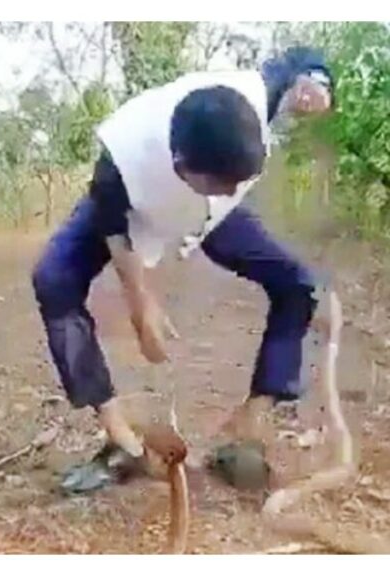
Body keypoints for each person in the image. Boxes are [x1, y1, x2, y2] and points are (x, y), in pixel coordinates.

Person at [32, 47, 336, 461]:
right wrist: (142, 305)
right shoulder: (125, 154)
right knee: (53, 279)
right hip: (133, 211)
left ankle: (253, 417)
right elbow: (113, 230)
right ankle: (118, 429)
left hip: (209, 218)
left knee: (299, 285)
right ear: (180, 165)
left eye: (240, 182)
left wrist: (317, 79)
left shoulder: (252, 94)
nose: (234, 191)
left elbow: (302, 58)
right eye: (224, 183)